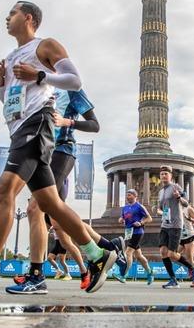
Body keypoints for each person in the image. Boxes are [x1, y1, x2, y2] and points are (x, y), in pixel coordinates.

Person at [0, 1, 116, 296]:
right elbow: (10, 101)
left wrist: (39, 76)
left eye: (12, 13)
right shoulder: (10, 58)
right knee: (48, 204)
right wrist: (0, 83)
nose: (7, 17)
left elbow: (74, 80)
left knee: (3, 190)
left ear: (29, 18)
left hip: (38, 124)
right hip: (20, 127)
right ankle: (98, 255)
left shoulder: (44, 46)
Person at [9, 85, 125, 295]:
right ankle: (108, 247)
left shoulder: (70, 87)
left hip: (62, 151)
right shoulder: (38, 89)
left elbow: (94, 125)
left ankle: (37, 275)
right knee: (56, 215)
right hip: (41, 152)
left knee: (36, 208)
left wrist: (67, 122)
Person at [157, 165, 194, 288]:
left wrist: (179, 197)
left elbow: (186, 203)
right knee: (162, 252)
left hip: (176, 225)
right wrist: (161, 213)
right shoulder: (161, 192)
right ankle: (173, 280)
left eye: (166, 173)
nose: (164, 176)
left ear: (170, 176)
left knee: (171, 254)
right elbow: (160, 209)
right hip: (165, 224)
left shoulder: (176, 187)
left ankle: (192, 267)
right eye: (162, 174)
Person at [117, 189, 154, 284]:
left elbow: (149, 218)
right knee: (139, 255)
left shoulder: (139, 207)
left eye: (129, 195)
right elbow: (122, 217)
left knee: (128, 252)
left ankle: (124, 275)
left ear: (135, 196)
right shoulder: (124, 207)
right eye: (127, 195)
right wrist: (121, 219)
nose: (127, 197)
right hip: (129, 233)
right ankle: (150, 272)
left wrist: (141, 222)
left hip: (138, 232)